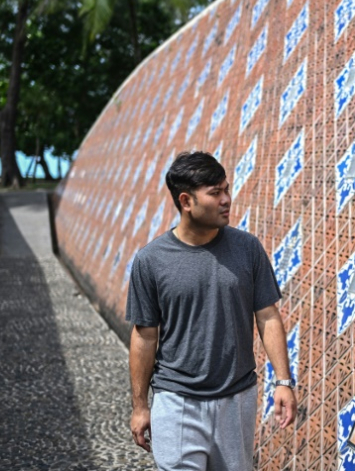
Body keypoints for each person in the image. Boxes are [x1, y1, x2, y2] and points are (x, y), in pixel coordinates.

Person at [126, 151, 297, 471]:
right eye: (215, 193)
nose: (226, 199)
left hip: (237, 399)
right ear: (186, 201)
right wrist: (139, 406)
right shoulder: (151, 260)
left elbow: (268, 316)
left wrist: (284, 381)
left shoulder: (248, 248)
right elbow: (145, 337)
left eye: (226, 189)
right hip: (176, 401)